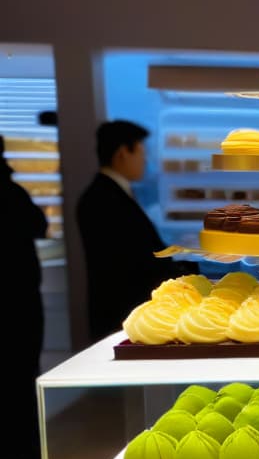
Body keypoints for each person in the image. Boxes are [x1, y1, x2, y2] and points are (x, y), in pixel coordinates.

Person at [76, 120, 198, 343]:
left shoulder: (108, 193)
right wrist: (184, 268)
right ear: (123, 152)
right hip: (121, 312)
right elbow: (133, 260)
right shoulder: (103, 199)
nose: (145, 161)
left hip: (123, 311)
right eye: (142, 153)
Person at [0, 135, 48, 459]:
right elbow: (38, 224)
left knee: (17, 377)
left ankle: (13, 456)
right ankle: (13, 456)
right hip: (17, 300)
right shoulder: (10, 191)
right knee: (18, 376)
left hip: (17, 298)